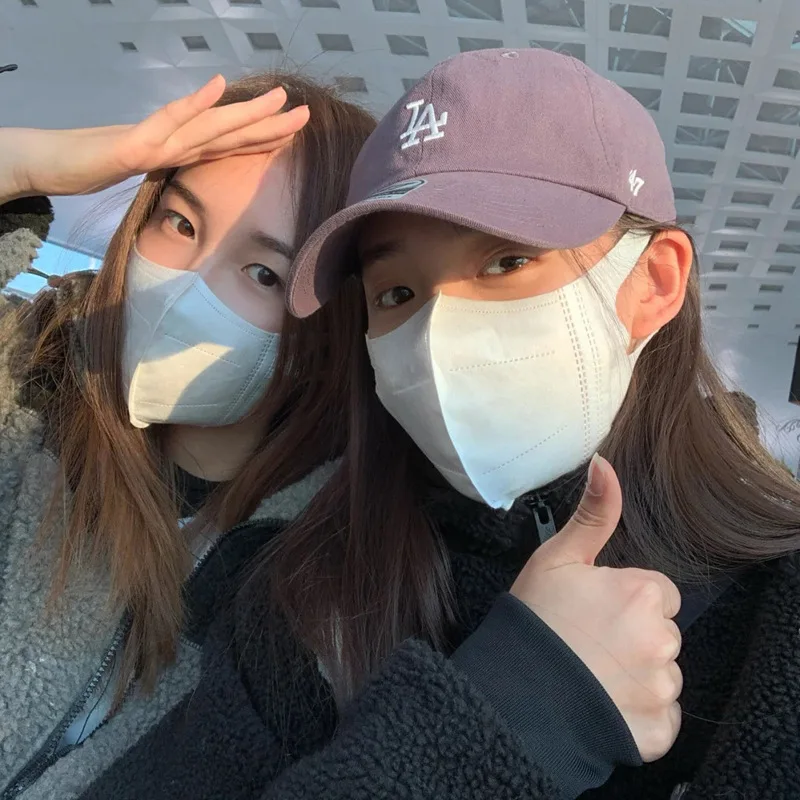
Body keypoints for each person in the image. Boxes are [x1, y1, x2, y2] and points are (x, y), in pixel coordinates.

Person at [80, 50, 800, 800]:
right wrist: (515, 714)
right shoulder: (311, 595)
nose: (436, 334)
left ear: (652, 283)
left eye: (506, 261)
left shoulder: (774, 605)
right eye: (396, 292)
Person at [0, 72, 374, 799]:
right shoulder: (24, 397)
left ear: (332, 326)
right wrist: (17, 165)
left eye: (263, 273)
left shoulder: (322, 577)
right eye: (179, 223)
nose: (186, 286)